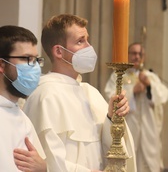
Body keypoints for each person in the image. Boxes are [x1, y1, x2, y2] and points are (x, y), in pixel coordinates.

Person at [23, 14, 136, 172]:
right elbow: (48, 161)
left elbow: (107, 150)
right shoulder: (45, 95)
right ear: (59, 51)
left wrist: (111, 118)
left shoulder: (91, 92)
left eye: (87, 40)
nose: (89, 47)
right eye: (80, 41)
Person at [0, 25, 47, 172]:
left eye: (36, 59)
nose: (35, 67)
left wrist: (42, 169)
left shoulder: (21, 116)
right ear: (0, 64)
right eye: (27, 59)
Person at [104, 42, 168, 172]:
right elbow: (109, 95)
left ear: (144, 57)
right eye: (133, 53)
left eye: (140, 54)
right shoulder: (118, 75)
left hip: (148, 129)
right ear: (127, 55)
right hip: (129, 126)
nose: (137, 56)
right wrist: (132, 91)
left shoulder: (150, 76)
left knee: (149, 164)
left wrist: (149, 85)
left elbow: (164, 96)